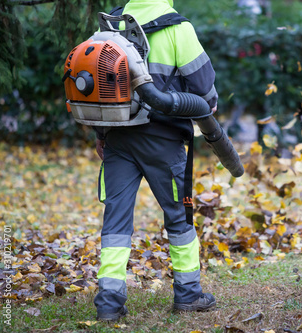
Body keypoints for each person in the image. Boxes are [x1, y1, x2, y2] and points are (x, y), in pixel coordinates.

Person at [93, 0, 218, 322]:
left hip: (118, 138)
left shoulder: (109, 25)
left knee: (116, 222)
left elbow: (95, 84)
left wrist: (100, 134)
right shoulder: (178, 28)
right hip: (164, 139)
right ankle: (189, 295)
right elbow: (204, 87)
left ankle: (108, 302)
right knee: (179, 215)